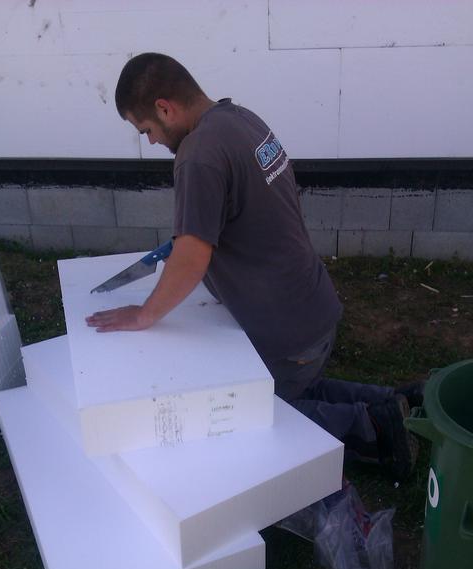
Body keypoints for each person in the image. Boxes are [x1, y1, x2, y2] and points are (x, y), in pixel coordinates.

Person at [86, 53, 421, 479]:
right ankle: (397, 401)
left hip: (289, 339)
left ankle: (377, 431)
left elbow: (192, 258)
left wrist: (144, 314)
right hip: (313, 313)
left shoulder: (197, 154)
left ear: (164, 108)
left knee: (250, 415)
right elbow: (245, 210)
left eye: (146, 130)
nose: (150, 141)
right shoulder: (240, 119)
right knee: (302, 387)